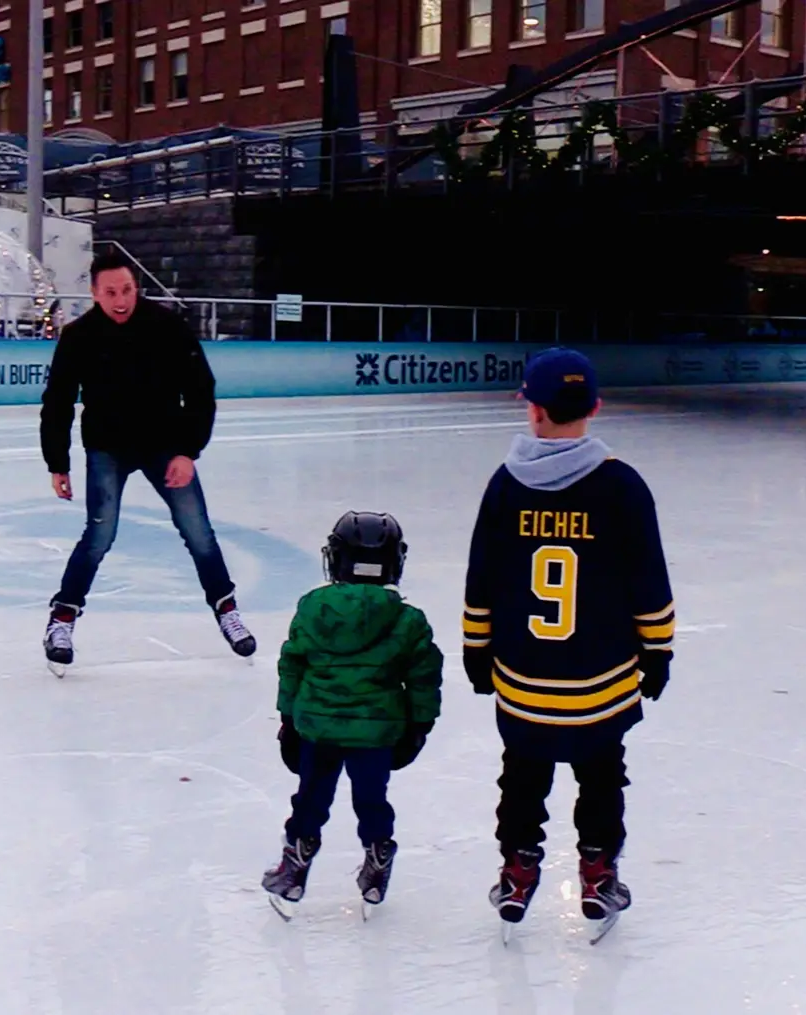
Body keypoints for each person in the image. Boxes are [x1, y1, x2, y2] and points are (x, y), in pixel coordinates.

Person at [461, 348, 675, 937]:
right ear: (596, 407)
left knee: (522, 778)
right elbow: (648, 582)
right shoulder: (623, 487)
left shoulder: (505, 486)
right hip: (600, 682)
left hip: (524, 677)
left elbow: (481, 577)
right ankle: (599, 872)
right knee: (602, 779)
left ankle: (518, 869)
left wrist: (477, 648)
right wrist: (658, 651)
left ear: (531, 408)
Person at [39, 247, 256, 665]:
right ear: (94, 293)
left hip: (165, 446)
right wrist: (57, 463)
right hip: (107, 447)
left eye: (126, 290)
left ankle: (227, 610)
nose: (120, 300)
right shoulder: (78, 336)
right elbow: (59, 402)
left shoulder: (167, 326)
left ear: (136, 288)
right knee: (99, 535)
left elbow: (199, 390)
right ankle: (62, 618)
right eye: (110, 292)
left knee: (198, 531)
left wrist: (188, 451)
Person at [262, 511, 443, 917]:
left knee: (310, 797)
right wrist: (420, 724)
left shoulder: (313, 607)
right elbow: (424, 676)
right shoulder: (409, 620)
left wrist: (288, 718)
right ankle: (377, 860)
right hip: (377, 733)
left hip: (318, 728)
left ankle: (295, 866)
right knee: (371, 798)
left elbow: (292, 664)